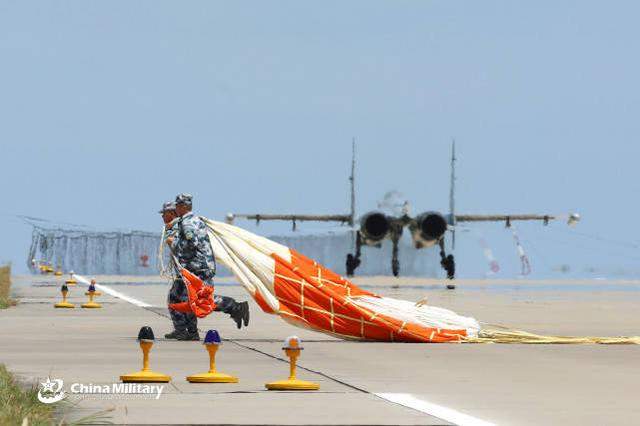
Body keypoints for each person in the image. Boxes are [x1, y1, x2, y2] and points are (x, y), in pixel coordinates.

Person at [164, 193, 249, 341]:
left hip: (197, 268)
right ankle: (183, 330)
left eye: (177, 205)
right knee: (175, 296)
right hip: (190, 268)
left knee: (198, 300)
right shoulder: (188, 221)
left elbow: (191, 244)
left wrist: (173, 243)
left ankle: (235, 307)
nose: (176, 207)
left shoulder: (188, 224)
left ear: (184, 206)